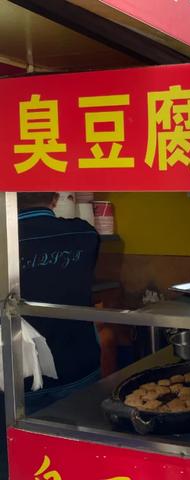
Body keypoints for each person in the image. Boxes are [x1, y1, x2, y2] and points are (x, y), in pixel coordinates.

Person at [0, 192, 101, 477]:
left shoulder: (4, 241)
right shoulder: (84, 233)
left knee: (24, 457)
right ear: (56, 198)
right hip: (81, 366)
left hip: (21, 377)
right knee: (81, 455)